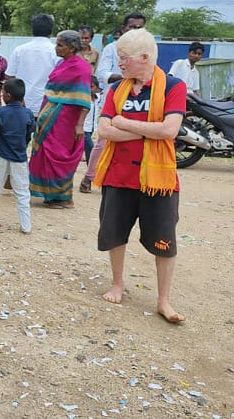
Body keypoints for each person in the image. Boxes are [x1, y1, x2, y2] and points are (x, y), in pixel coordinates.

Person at [93, 28, 186, 323]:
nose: (120, 64)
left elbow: (170, 131)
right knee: (114, 234)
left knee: (164, 240)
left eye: (124, 58)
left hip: (159, 180)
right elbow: (104, 131)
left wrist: (125, 123)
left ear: (144, 57)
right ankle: (117, 283)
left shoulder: (173, 86)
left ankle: (164, 300)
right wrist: (149, 129)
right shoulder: (116, 89)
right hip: (118, 176)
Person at [80, 13, 146, 194]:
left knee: (135, 139)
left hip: (139, 100)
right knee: (104, 140)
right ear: (124, 28)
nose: (136, 31)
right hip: (114, 99)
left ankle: (125, 180)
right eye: (133, 27)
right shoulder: (112, 48)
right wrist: (127, 77)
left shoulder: (146, 51)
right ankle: (90, 176)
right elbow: (102, 73)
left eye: (140, 28)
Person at [29, 30, 92, 208]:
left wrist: (80, 125)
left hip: (66, 120)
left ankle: (62, 197)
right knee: (46, 153)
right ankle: (50, 195)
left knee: (59, 155)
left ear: (71, 48)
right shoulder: (63, 63)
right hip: (51, 117)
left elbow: (85, 99)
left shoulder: (81, 68)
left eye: (60, 45)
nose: (56, 48)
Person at [0, 78, 35, 233]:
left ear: (8, 95)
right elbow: (28, 134)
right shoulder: (28, 114)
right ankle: (26, 226)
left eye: (3, 92)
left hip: (1, 155)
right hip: (19, 156)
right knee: (22, 192)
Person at [4, 13, 58, 118]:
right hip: (47, 105)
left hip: (21, 103)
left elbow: (9, 77)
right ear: (51, 31)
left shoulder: (19, 50)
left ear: (32, 29)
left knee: (22, 134)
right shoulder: (57, 52)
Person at [83, 75, 103, 165]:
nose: (89, 89)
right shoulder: (84, 100)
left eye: (92, 87)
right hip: (83, 129)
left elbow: (101, 92)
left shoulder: (97, 98)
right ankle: (91, 167)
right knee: (90, 147)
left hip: (91, 128)